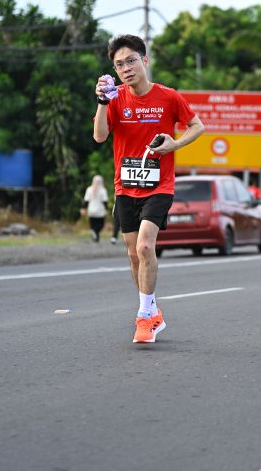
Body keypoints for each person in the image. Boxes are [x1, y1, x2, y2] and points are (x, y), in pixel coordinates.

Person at [93, 34, 204, 343]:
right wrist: (102, 103)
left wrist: (175, 144)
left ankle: (144, 317)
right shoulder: (114, 98)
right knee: (133, 254)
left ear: (144, 60)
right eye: (119, 65)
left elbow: (198, 126)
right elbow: (100, 136)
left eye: (131, 61)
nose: (126, 68)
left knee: (144, 247)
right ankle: (152, 310)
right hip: (125, 187)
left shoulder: (168, 97)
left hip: (159, 185)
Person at [81, 175, 109, 242]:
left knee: (93, 225)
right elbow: (105, 201)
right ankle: (95, 233)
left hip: (91, 210)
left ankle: (95, 236)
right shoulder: (103, 190)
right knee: (101, 225)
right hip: (100, 211)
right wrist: (107, 209)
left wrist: (84, 208)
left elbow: (86, 201)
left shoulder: (89, 189)